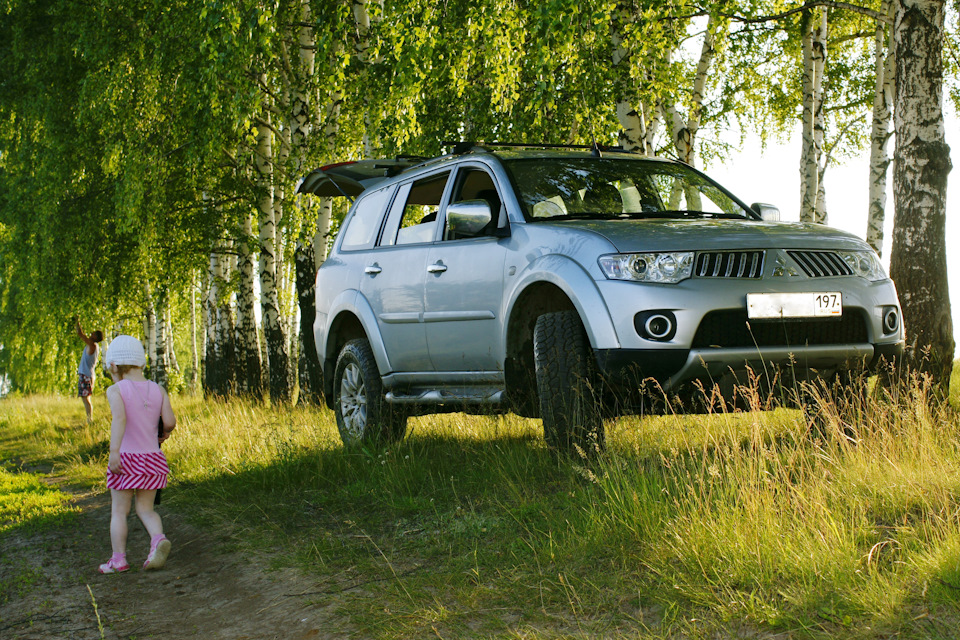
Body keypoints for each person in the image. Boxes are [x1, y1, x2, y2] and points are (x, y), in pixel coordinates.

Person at [98, 334, 176, 574]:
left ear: (113, 365)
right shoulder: (158, 389)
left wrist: (113, 452)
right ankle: (157, 540)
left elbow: (120, 419)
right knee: (146, 509)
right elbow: (171, 422)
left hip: (126, 459)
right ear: (142, 363)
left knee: (120, 511)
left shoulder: (116, 390)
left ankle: (118, 560)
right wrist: (162, 434)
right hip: (152, 460)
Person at [75, 319, 104, 422]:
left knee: (86, 399)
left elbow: (80, 334)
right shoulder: (95, 347)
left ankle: (89, 419)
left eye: (93, 333)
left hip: (86, 375)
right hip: (88, 374)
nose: (91, 333)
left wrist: (77, 321)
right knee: (86, 398)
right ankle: (89, 419)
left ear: (95, 337)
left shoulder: (92, 345)